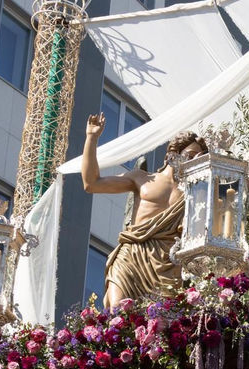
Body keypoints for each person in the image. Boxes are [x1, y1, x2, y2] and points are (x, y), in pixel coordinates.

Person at [80, 112, 207, 307]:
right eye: (190, 156)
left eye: (198, 159)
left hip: (166, 264)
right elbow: (91, 184)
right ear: (174, 153)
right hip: (132, 254)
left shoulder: (194, 194)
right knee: (118, 309)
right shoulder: (142, 178)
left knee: (162, 321)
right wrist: (91, 138)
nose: (192, 162)